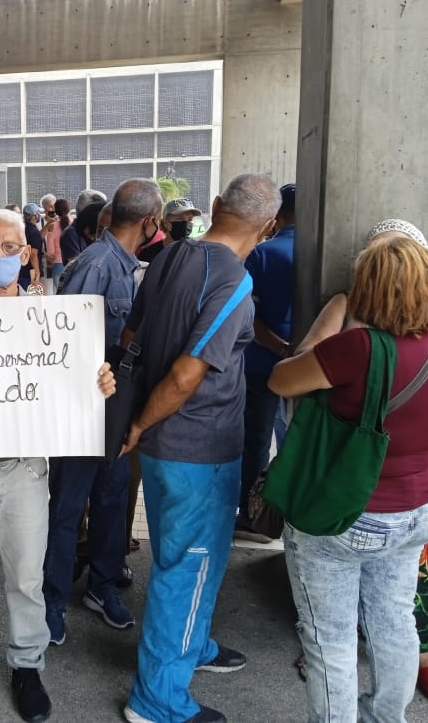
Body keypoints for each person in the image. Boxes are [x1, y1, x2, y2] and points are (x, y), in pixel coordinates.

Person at [295, 218, 428, 710]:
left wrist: (372, 364)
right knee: (394, 619)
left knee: (335, 640)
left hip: (369, 493)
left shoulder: (376, 338)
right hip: (415, 496)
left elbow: (288, 378)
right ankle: (387, 714)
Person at [0, 208, 117, 722]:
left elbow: (74, 383)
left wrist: (97, 382)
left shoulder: (51, 322)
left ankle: (27, 664)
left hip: (24, 468)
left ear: (27, 254)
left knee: (26, 577)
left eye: (9, 247)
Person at [119, 173, 280, 723]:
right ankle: (157, 698)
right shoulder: (235, 281)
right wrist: (140, 422)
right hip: (199, 447)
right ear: (270, 227)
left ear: (214, 206)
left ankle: (192, 645)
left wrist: (139, 424)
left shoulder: (167, 256)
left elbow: (130, 338)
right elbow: (188, 375)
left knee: (184, 559)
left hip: (165, 444)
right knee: (187, 566)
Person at [43, 179, 163, 646]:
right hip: (80, 408)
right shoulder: (95, 266)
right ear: (151, 222)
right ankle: (52, 601)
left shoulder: (130, 266)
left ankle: (102, 586)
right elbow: (64, 342)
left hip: (116, 408)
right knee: (68, 507)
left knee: (114, 499)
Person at [236, 182, 296, 538]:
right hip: (314, 368)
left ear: (277, 215)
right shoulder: (325, 253)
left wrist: (279, 349)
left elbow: (248, 316)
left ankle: (252, 512)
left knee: (255, 441)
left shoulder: (263, 254)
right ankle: (290, 514)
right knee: (294, 441)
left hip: (261, 364)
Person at [137, 198, 202, 263]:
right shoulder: (149, 254)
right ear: (165, 223)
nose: (185, 223)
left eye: (190, 219)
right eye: (179, 218)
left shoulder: (198, 251)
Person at [19, 204, 43, 290]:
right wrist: (37, 272)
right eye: (37, 212)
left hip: (21, 270)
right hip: (30, 273)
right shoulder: (33, 232)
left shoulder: (23, 228)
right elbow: (33, 254)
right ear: (34, 216)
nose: (39, 215)